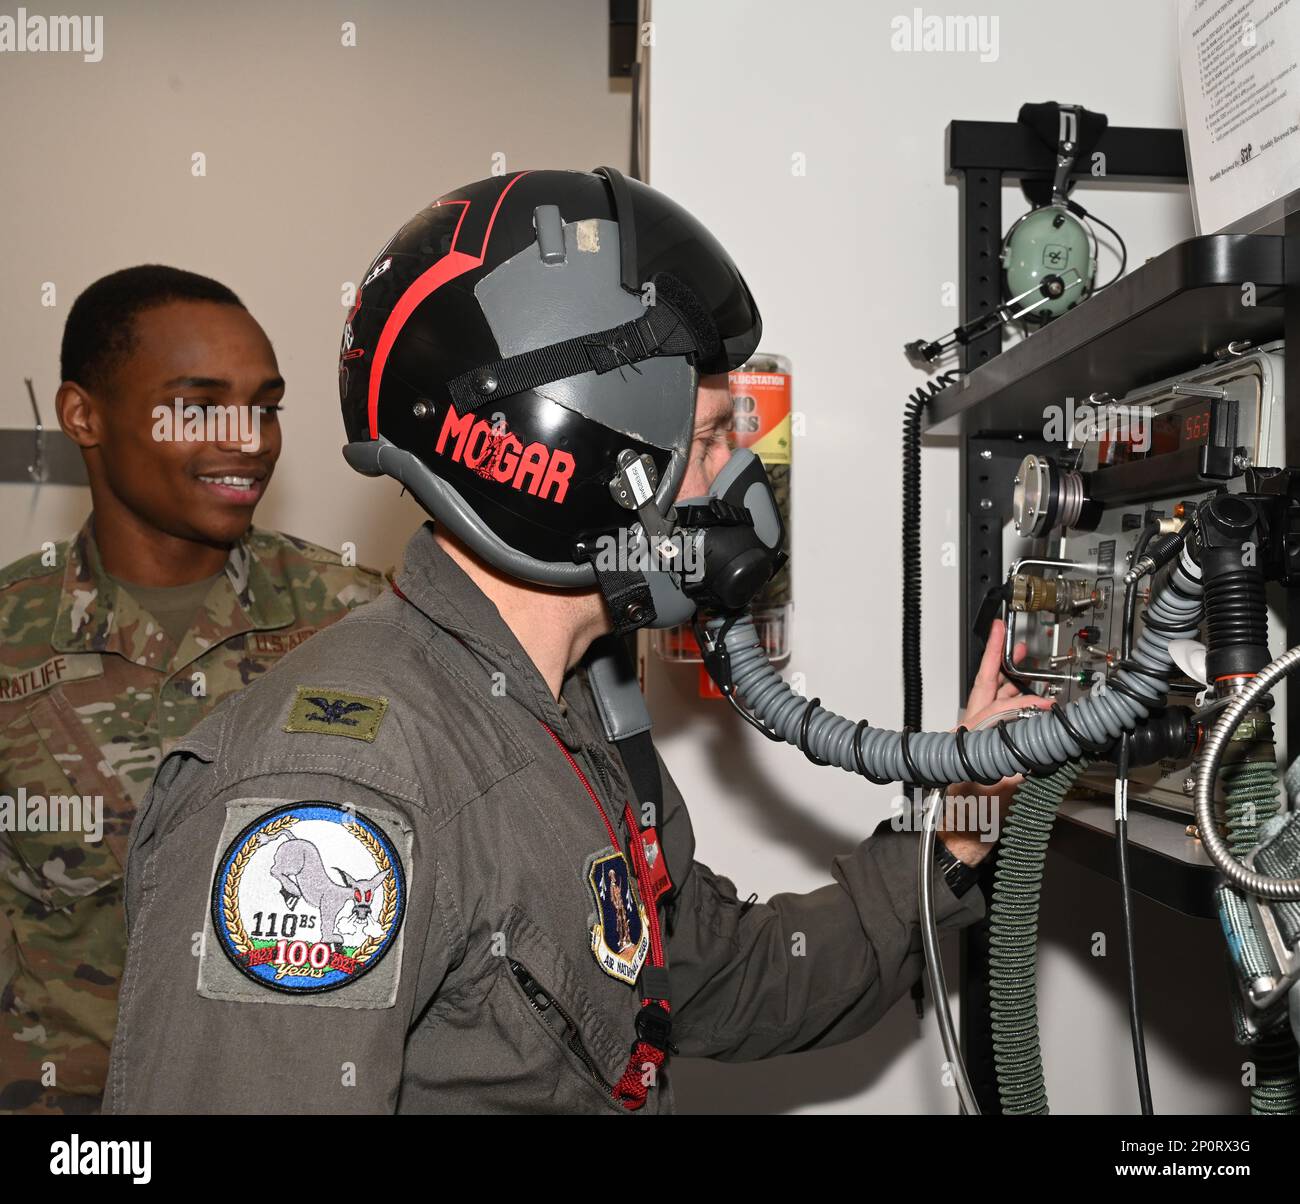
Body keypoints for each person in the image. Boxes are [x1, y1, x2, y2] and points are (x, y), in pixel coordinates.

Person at [104, 171, 1041, 1115]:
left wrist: (957, 831)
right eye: (710, 440)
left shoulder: (574, 709)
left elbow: (716, 979)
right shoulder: (336, 789)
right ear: (589, 462)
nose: (739, 482)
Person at [0, 266, 385, 1113]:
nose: (248, 437)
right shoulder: (10, 639)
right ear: (83, 416)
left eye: (266, 405)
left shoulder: (366, 624)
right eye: (200, 403)